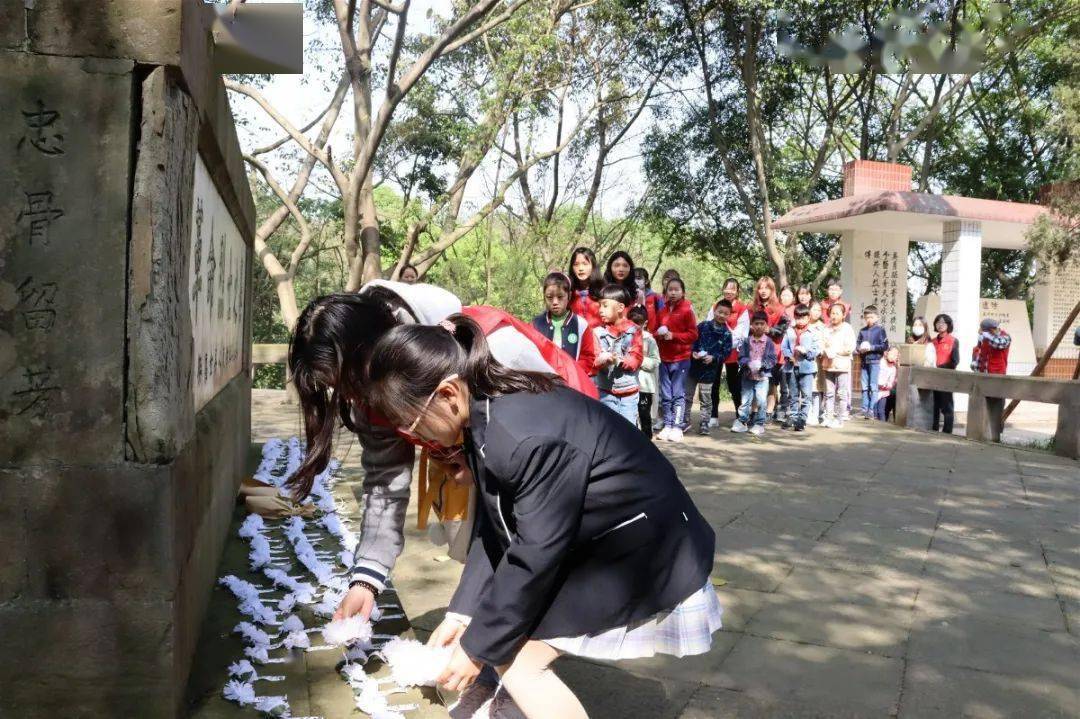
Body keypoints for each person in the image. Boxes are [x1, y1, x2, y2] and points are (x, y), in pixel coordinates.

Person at [362, 316, 720, 718]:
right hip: (599, 532)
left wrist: (475, 646)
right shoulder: (485, 406)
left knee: (518, 662)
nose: (420, 438)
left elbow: (534, 552)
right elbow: (498, 525)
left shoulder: (518, 436)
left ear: (447, 394)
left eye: (413, 423)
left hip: (646, 542)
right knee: (504, 639)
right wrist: (463, 612)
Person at [288, 282, 597, 716]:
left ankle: (510, 673)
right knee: (495, 569)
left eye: (353, 384)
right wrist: (367, 578)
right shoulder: (369, 382)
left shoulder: (484, 347)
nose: (355, 400)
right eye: (342, 392)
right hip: (488, 465)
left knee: (529, 560)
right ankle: (497, 663)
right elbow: (384, 478)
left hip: (563, 451)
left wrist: (469, 613)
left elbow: (519, 501)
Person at [583, 285, 644, 425]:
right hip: (606, 393)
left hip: (629, 394)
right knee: (608, 429)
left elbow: (636, 359)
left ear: (620, 308)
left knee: (628, 430)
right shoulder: (597, 333)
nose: (600, 310)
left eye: (605, 306)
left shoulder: (634, 331)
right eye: (599, 306)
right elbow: (592, 360)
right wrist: (601, 361)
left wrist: (618, 361)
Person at [654, 277, 698, 442]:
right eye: (669, 290)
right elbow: (655, 332)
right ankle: (668, 424)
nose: (672, 292)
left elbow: (693, 335)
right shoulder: (662, 312)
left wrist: (674, 336)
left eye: (676, 289)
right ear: (665, 293)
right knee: (665, 394)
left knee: (678, 394)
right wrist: (658, 334)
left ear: (683, 292)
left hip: (681, 359)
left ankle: (678, 426)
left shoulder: (687, 310)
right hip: (664, 359)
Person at [686, 299, 734, 436]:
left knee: (706, 398)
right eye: (720, 312)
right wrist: (693, 352)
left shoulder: (727, 334)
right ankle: (685, 420)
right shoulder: (703, 326)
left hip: (709, 371)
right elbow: (693, 340)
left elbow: (726, 353)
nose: (722, 315)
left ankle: (704, 423)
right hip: (693, 367)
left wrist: (714, 358)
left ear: (729, 315)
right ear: (714, 311)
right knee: (687, 395)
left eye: (726, 313)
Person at [711, 278, 749, 427]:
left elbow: (742, 333)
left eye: (733, 289)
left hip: (733, 352)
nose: (729, 291)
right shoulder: (715, 306)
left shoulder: (741, 309)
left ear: (737, 291)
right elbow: (709, 325)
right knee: (714, 383)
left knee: (734, 384)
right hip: (715, 351)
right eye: (727, 288)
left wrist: (726, 343)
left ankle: (740, 416)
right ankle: (713, 415)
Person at [731, 311, 777, 436]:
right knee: (745, 399)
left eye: (762, 324)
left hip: (763, 377)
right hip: (747, 376)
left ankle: (759, 423)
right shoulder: (747, 341)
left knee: (761, 400)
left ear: (766, 325)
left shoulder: (769, 342)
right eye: (756, 323)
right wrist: (748, 363)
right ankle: (742, 421)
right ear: (751, 325)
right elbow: (741, 357)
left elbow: (773, 359)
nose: (759, 326)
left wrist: (763, 365)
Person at [750, 277, 788, 423]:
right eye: (761, 287)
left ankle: (768, 412)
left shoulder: (780, 308)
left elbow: (782, 330)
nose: (763, 291)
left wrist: (768, 330)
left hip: (774, 352)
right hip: (755, 350)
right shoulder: (752, 308)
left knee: (771, 384)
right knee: (755, 382)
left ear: (772, 290)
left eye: (767, 288)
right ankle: (754, 412)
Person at [780, 304, 820, 432]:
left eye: (803, 318)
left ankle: (802, 419)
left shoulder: (813, 332)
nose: (800, 321)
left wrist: (806, 352)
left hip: (807, 368)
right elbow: (784, 346)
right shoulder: (790, 330)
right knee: (793, 394)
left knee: (807, 395)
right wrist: (788, 356)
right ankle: (792, 416)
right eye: (798, 318)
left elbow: (817, 349)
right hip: (791, 367)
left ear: (808, 318)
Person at [532, 272, 589, 362]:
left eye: (560, 297)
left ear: (569, 296)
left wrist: (575, 372)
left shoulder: (581, 324)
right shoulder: (536, 323)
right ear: (544, 297)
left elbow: (588, 356)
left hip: (572, 375)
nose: (555, 302)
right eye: (549, 297)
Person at [820, 303, 855, 429]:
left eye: (837, 313)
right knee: (829, 393)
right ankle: (829, 417)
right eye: (832, 313)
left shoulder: (847, 328)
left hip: (842, 365)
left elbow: (850, 347)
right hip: (828, 364)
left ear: (843, 315)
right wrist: (825, 351)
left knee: (841, 393)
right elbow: (821, 344)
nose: (834, 316)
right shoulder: (826, 328)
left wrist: (835, 351)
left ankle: (840, 419)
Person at [628, 305, 660, 439]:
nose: (635, 327)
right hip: (630, 385)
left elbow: (655, 361)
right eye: (632, 323)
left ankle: (648, 440)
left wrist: (638, 360)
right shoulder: (626, 337)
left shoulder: (649, 340)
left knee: (644, 414)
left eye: (638, 324)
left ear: (645, 323)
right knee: (631, 415)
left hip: (645, 386)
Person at [856, 305, 889, 420]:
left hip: (875, 361)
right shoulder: (862, 331)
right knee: (864, 386)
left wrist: (872, 347)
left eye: (871, 317)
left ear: (877, 317)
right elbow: (857, 344)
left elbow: (885, 345)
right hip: (864, 361)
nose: (869, 319)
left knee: (873, 386)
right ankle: (864, 408)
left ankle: (871, 410)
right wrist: (859, 349)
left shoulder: (880, 330)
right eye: (867, 317)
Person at [931, 313, 960, 433]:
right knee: (934, 405)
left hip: (946, 377)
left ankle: (947, 431)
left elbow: (955, 361)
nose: (940, 325)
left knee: (947, 406)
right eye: (938, 322)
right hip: (932, 377)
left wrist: (940, 367)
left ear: (948, 325)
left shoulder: (953, 341)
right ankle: (933, 429)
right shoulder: (932, 341)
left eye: (943, 322)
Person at [567, 247, 603, 327]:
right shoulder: (567, 292)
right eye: (576, 264)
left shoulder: (603, 291)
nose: (580, 268)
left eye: (585, 264)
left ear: (593, 266)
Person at [807, 300, 827, 426]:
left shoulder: (823, 327)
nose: (816, 312)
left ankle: (815, 413)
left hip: (818, 361)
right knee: (805, 388)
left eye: (819, 310)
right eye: (814, 309)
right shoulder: (803, 324)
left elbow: (825, 343)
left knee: (816, 388)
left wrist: (820, 351)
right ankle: (806, 412)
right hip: (804, 361)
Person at [876, 346, 900, 422]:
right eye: (893, 354)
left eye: (896, 355)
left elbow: (891, 382)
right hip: (875, 391)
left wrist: (886, 385)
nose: (895, 356)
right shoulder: (880, 363)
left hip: (885, 393)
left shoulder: (894, 368)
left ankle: (882, 427)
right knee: (875, 411)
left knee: (881, 411)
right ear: (886, 353)